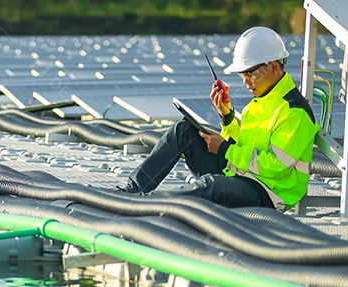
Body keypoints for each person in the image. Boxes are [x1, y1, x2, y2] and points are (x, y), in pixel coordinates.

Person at [120, 27, 318, 211]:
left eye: (251, 74)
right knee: (183, 131)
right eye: (243, 74)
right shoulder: (262, 100)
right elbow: (243, 144)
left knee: (210, 186)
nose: (246, 81)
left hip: (267, 192)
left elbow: (276, 166)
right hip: (240, 174)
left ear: (274, 67)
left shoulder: (295, 112)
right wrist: (226, 116)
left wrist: (223, 148)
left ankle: (148, 205)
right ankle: (132, 191)